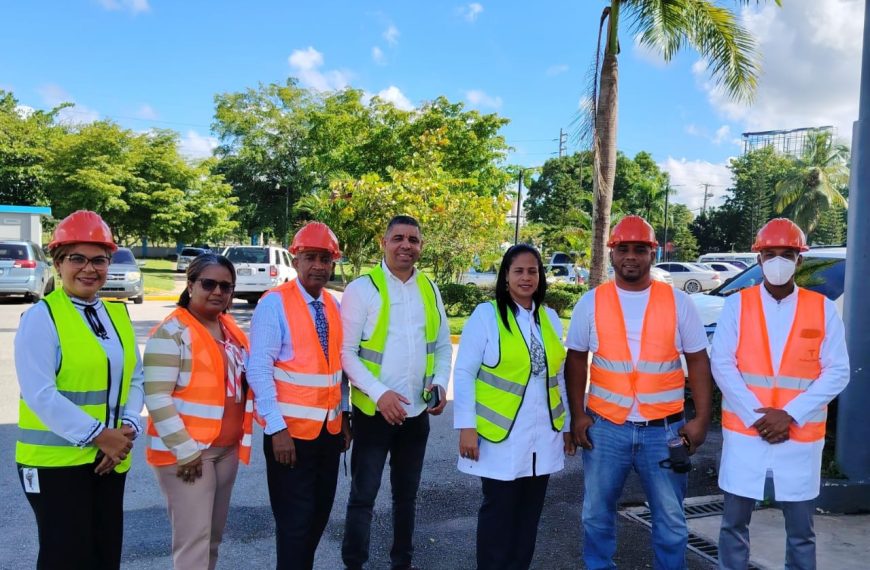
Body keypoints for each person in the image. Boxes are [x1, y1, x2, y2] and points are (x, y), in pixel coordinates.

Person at [564, 215, 713, 570]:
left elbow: (698, 360)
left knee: (672, 522)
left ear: (652, 253)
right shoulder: (591, 301)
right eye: (624, 249)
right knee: (596, 516)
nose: (631, 256)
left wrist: (702, 419)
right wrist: (577, 415)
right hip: (606, 427)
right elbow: (575, 360)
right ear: (612, 254)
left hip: (665, 431)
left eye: (640, 250)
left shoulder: (678, 302)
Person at [713, 218, 849, 570]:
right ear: (758, 260)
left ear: (799, 260)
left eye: (786, 254)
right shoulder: (736, 306)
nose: (777, 261)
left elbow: (837, 371)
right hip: (747, 434)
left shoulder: (822, 310)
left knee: (802, 532)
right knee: (733, 527)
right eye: (769, 254)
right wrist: (759, 416)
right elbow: (723, 365)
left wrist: (789, 414)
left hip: (798, 437)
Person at [14, 210, 144, 570]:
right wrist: (100, 436)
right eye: (77, 259)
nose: (89, 269)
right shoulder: (42, 317)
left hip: (109, 459)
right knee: (65, 558)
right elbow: (41, 393)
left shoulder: (117, 315)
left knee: (104, 556)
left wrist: (127, 429)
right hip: (56, 464)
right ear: (58, 263)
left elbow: (135, 378)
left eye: (99, 260)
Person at [340, 214, 452, 570]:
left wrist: (440, 382)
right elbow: (346, 353)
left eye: (414, 240)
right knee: (363, 498)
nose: (407, 245)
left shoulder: (429, 289)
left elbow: (444, 345)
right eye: (399, 238)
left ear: (420, 246)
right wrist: (379, 393)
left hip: (416, 415)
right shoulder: (363, 289)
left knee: (407, 497)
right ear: (384, 243)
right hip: (374, 414)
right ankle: (353, 564)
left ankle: (402, 563)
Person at [454, 244, 574, 570]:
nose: (526, 277)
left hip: (542, 439)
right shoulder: (486, 316)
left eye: (532, 271)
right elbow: (464, 373)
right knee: (499, 517)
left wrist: (565, 427)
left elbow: (558, 377)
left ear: (540, 276)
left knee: (528, 520)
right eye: (518, 271)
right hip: (500, 438)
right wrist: (466, 426)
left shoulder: (548, 318)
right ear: (505, 276)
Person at [247, 222, 351, 570]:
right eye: (311, 257)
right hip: (289, 437)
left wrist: (345, 416)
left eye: (325, 259)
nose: (319, 266)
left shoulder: (334, 306)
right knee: (294, 524)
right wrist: (276, 429)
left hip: (329, 434)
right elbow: (258, 369)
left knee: (317, 519)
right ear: (296, 259)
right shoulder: (273, 304)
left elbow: (338, 368)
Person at [144, 253, 253, 570]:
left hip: (225, 451)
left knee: (212, 539)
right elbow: (157, 396)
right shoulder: (171, 333)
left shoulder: (229, 329)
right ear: (190, 285)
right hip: (190, 455)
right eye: (209, 283)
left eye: (226, 286)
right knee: (193, 543)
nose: (218, 292)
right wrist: (185, 450)